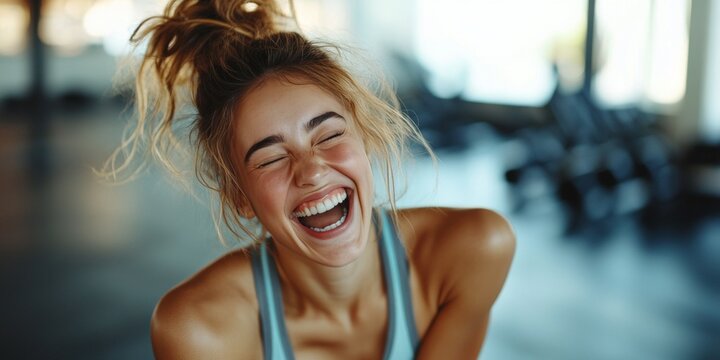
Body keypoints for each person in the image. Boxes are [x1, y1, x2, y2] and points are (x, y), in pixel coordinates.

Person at [103, 0, 515, 358]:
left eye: (330, 134)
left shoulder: (472, 251)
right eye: (270, 158)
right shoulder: (199, 330)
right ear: (239, 196)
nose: (312, 169)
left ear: (365, 139)